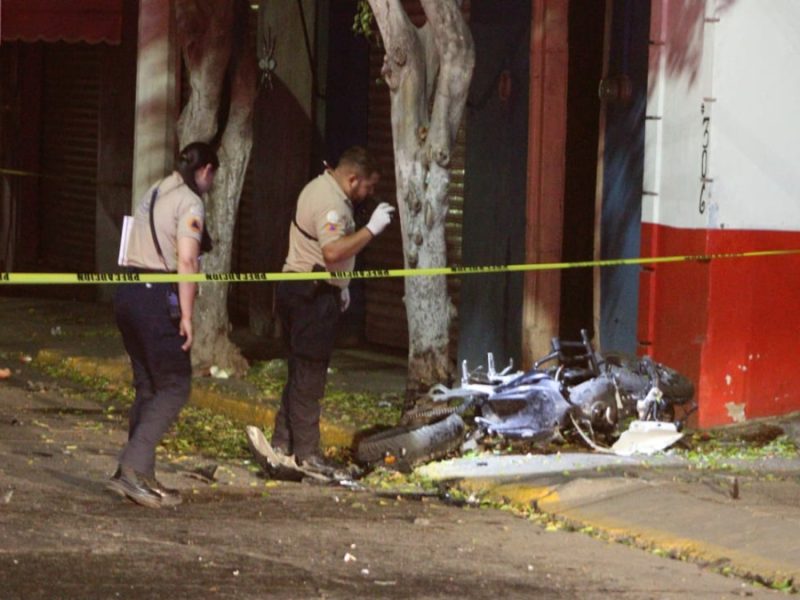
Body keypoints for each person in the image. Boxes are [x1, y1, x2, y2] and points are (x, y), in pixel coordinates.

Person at [269, 146, 394, 476]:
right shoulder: (332, 204)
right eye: (367, 186)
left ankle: (281, 446)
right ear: (352, 179)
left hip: (303, 289)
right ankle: (307, 454)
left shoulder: (319, 186)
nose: (369, 193)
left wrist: (342, 285)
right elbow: (333, 251)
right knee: (310, 377)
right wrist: (370, 230)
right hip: (311, 298)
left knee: (299, 373)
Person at [107, 142, 218, 508]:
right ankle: (130, 468)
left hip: (127, 292)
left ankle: (140, 475)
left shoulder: (154, 189)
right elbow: (187, 261)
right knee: (175, 385)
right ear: (205, 170)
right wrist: (186, 316)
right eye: (212, 175)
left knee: (149, 387)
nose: (212, 182)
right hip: (156, 298)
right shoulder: (190, 201)